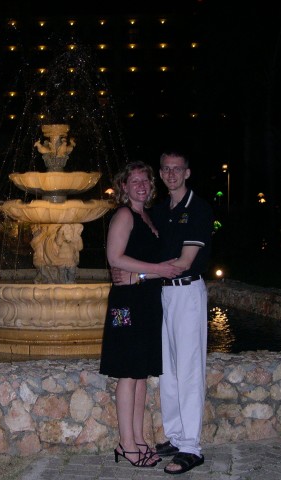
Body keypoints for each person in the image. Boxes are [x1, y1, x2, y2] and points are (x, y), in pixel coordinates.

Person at [111, 150, 213, 475]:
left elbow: (182, 264)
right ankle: (174, 436)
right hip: (149, 299)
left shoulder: (196, 208)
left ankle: (191, 446)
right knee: (165, 371)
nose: (170, 174)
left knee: (188, 369)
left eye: (176, 169)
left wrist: (140, 275)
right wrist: (140, 275)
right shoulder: (155, 212)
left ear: (187, 172)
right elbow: (119, 258)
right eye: (166, 168)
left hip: (184, 293)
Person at [99, 161, 184, 469]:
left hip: (145, 300)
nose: (140, 185)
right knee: (127, 371)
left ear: (150, 186)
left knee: (140, 373)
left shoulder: (148, 216)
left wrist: (147, 276)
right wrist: (157, 270)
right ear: (123, 186)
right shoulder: (124, 215)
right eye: (133, 181)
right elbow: (114, 257)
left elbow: (141, 267)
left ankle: (136, 439)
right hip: (125, 304)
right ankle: (125, 443)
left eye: (145, 181)